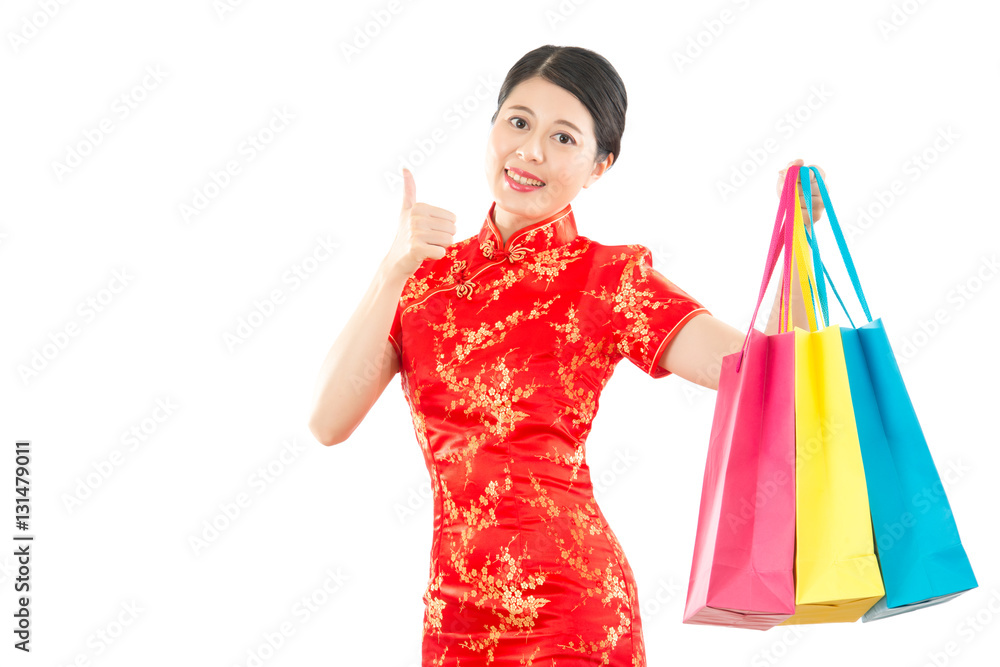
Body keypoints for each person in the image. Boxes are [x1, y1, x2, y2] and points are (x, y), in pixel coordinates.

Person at [308, 45, 826, 666]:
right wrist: (391, 268)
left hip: (572, 610)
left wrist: (797, 249)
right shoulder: (425, 278)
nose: (530, 152)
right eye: (518, 122)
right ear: (493, 126)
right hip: (455, 615)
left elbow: (760, 374)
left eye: (563, 137)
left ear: (599, 166)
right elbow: (326, 422)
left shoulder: (607, 279)